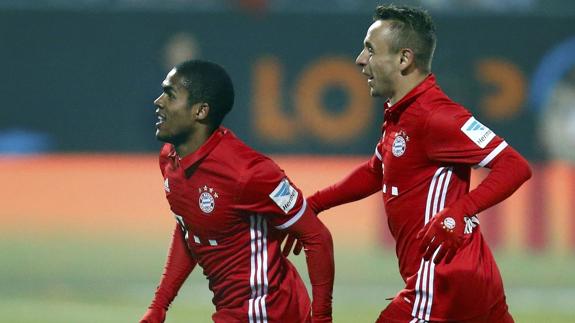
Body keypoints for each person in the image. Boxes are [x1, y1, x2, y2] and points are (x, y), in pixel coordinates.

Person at [284, 5, 531, 323]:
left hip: (442, 281)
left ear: (404, 59)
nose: (360, 60)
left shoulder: (436, 115)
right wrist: (312, 205)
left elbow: (515, 166)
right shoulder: (401, 114)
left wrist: (459, 211)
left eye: (371, 50)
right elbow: (376, 170)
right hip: (472, 276)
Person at [140, 59, 334, 323]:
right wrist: (159, 305)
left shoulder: (248, 172)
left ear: (200, 111)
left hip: (266, 311)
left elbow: (317, 237)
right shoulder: (169, 159)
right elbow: (190, 228)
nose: (158, 101)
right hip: (236, 311)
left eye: (170, 94)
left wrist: (322, 318)